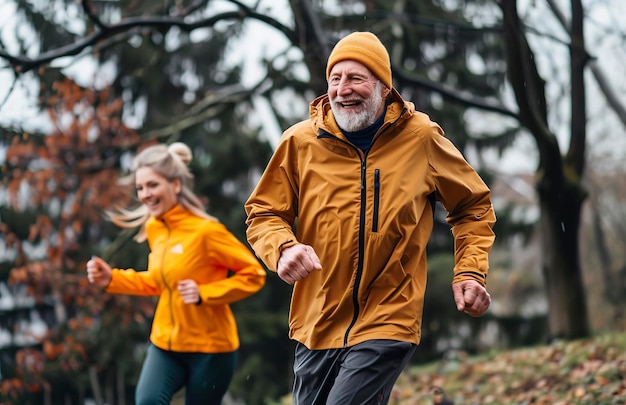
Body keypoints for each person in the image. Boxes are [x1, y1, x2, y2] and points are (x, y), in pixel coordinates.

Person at [244, 31, 496, 404]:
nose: (342, 89)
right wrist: (282, 248)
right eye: (335, 78)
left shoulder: (421, 138)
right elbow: (263, 212)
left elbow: (472, 206)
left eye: (355, 78)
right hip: (318, 318)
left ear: (382, 86)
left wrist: (470, 270)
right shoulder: (299, 142)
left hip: (389, 315)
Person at [87, 142, 266, 405]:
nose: (145, 194)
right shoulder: (154, 228)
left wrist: (204, 293)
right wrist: (111, 279)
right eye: (140, 188)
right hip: (166, 345)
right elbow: (158, 282)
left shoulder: (206, 232)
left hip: (211, 351)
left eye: (152, 185)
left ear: (176, 185)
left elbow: (254, 274)